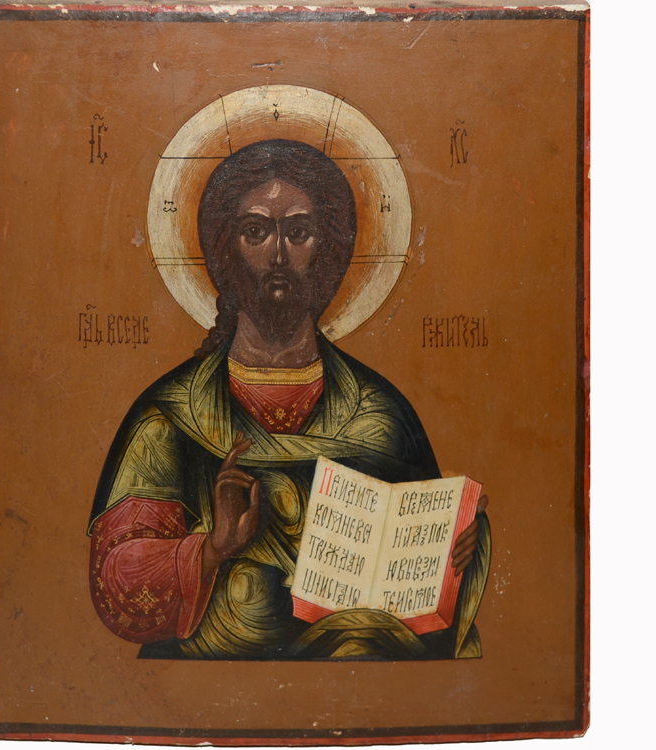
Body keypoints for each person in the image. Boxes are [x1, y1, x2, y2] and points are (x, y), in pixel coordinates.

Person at [87, 139, 490, 660]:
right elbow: (116, 577)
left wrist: (457, 543)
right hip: (205, 685)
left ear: (329, 250)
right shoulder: (171, 415)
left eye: (298, 233)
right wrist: (211, 549)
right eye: (256, 232)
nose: (278, 255)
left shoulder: (381, 413)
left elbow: (422, 584)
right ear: (226, 250)